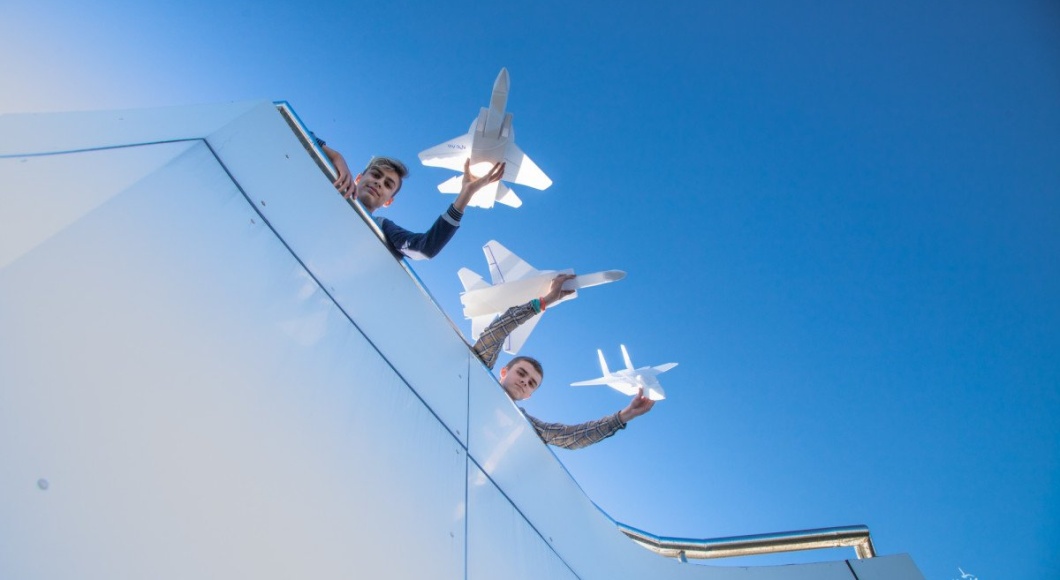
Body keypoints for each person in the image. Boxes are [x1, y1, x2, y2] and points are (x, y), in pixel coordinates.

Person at [472, 274, 656, 450]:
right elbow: (496, 333)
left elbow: (569, 437)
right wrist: (545, 301)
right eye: (521, 373)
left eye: (531, 383)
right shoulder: (474, 371)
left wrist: (625, 415)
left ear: (529, 395)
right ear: (504, 372)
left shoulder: (523, 422)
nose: (525, 382)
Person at [316, 137, 503, 260]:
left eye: (388, 184)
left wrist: (465, 194)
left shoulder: (382, 226)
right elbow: (303, 137)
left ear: (388, 201)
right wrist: (336, 157)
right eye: (376, 175)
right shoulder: (330, 181)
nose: (379, 183)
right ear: (358, 178)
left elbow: (425, 248)